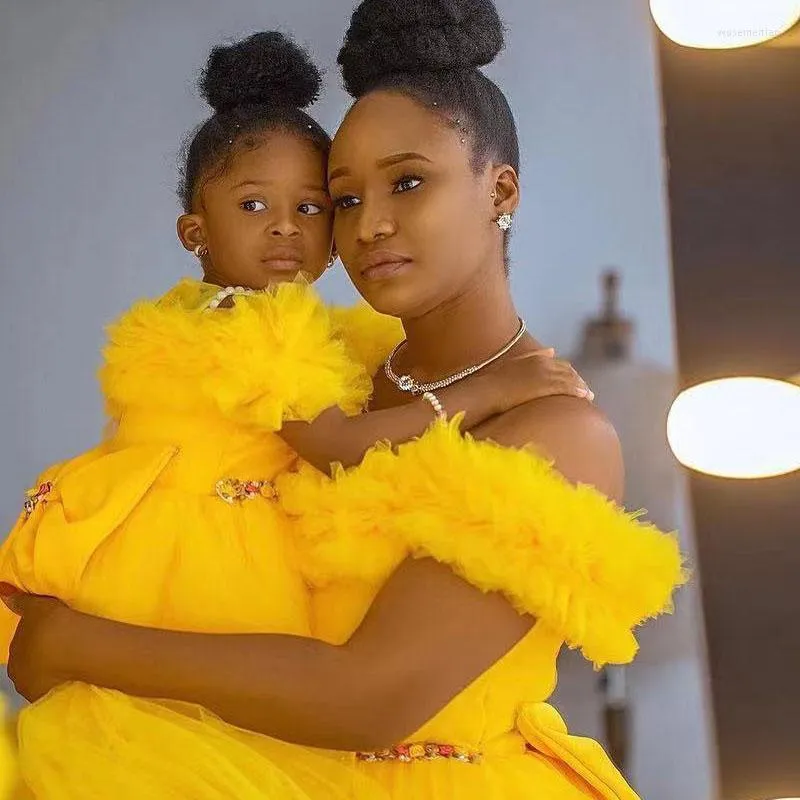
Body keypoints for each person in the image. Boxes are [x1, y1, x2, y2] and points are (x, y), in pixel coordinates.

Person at [3, 2, 685, 799]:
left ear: (499, 189)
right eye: (347, 199)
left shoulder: (555, 428)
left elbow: (369, 698)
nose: (370, 225)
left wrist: (77, 645)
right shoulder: (336, 370)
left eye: (407, 182)